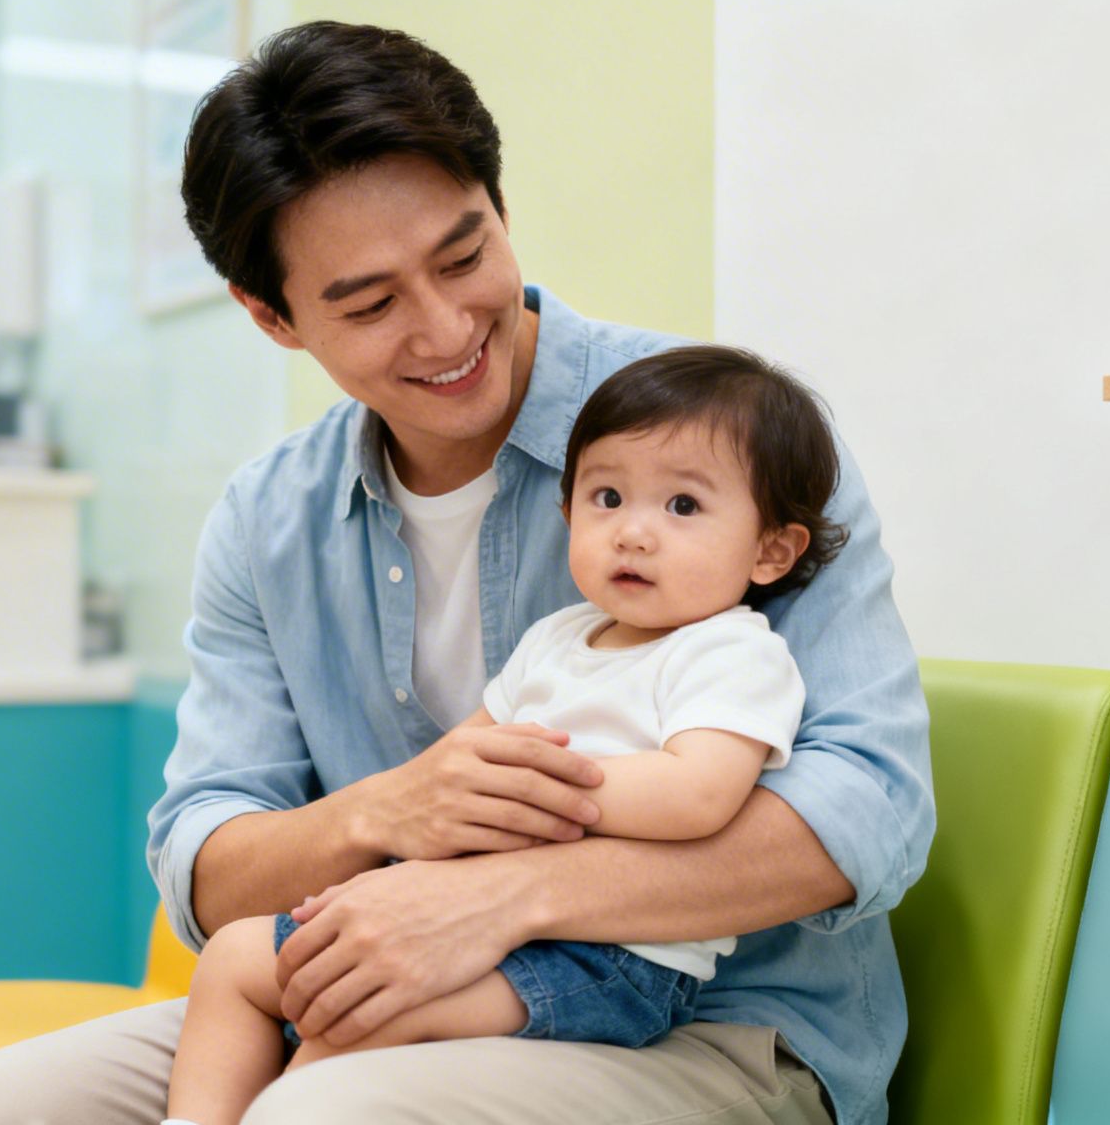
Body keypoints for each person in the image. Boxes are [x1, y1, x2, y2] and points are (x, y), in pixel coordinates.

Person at [0, 21, 932, 1125]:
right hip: (381, 975)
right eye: (367, 303)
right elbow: (205, 859)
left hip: (714, 1026)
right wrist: (386, 816)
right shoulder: (268, 521)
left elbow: (867, 809)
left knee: (320, 1117)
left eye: (462, 257)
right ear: (273, 319)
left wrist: (497, 896)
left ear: (498, 208)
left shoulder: (724, 445)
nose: (446, 328)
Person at [164, 346, 849, 1125]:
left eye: (682, 507)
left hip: (614, 956)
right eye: (607, 497)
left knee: (363, 1010)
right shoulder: (558, 638)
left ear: (771, 550)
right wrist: (403, 850)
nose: (633, 533)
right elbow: (451, 770)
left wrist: (530, 794)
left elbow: (699, 795)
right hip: (460, 923)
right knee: (235, 960)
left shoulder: (732, 652)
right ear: (568, 514)